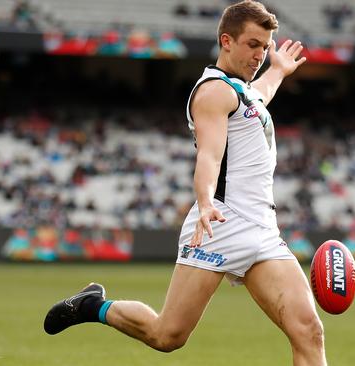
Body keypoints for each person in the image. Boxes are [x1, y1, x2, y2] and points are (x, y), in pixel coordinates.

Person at [43, 1, 326, 364]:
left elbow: (261, 95)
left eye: (266, 46)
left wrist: (279, 70)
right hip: (220, 224)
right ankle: (93, 305)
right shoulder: (213, 91)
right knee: (167, 335)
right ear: (227, 41)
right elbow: (208, 156)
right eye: (253, 45)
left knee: (309, 331)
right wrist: (205, 200)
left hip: (263, 229)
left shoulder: (243, 91)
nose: (260, 55)